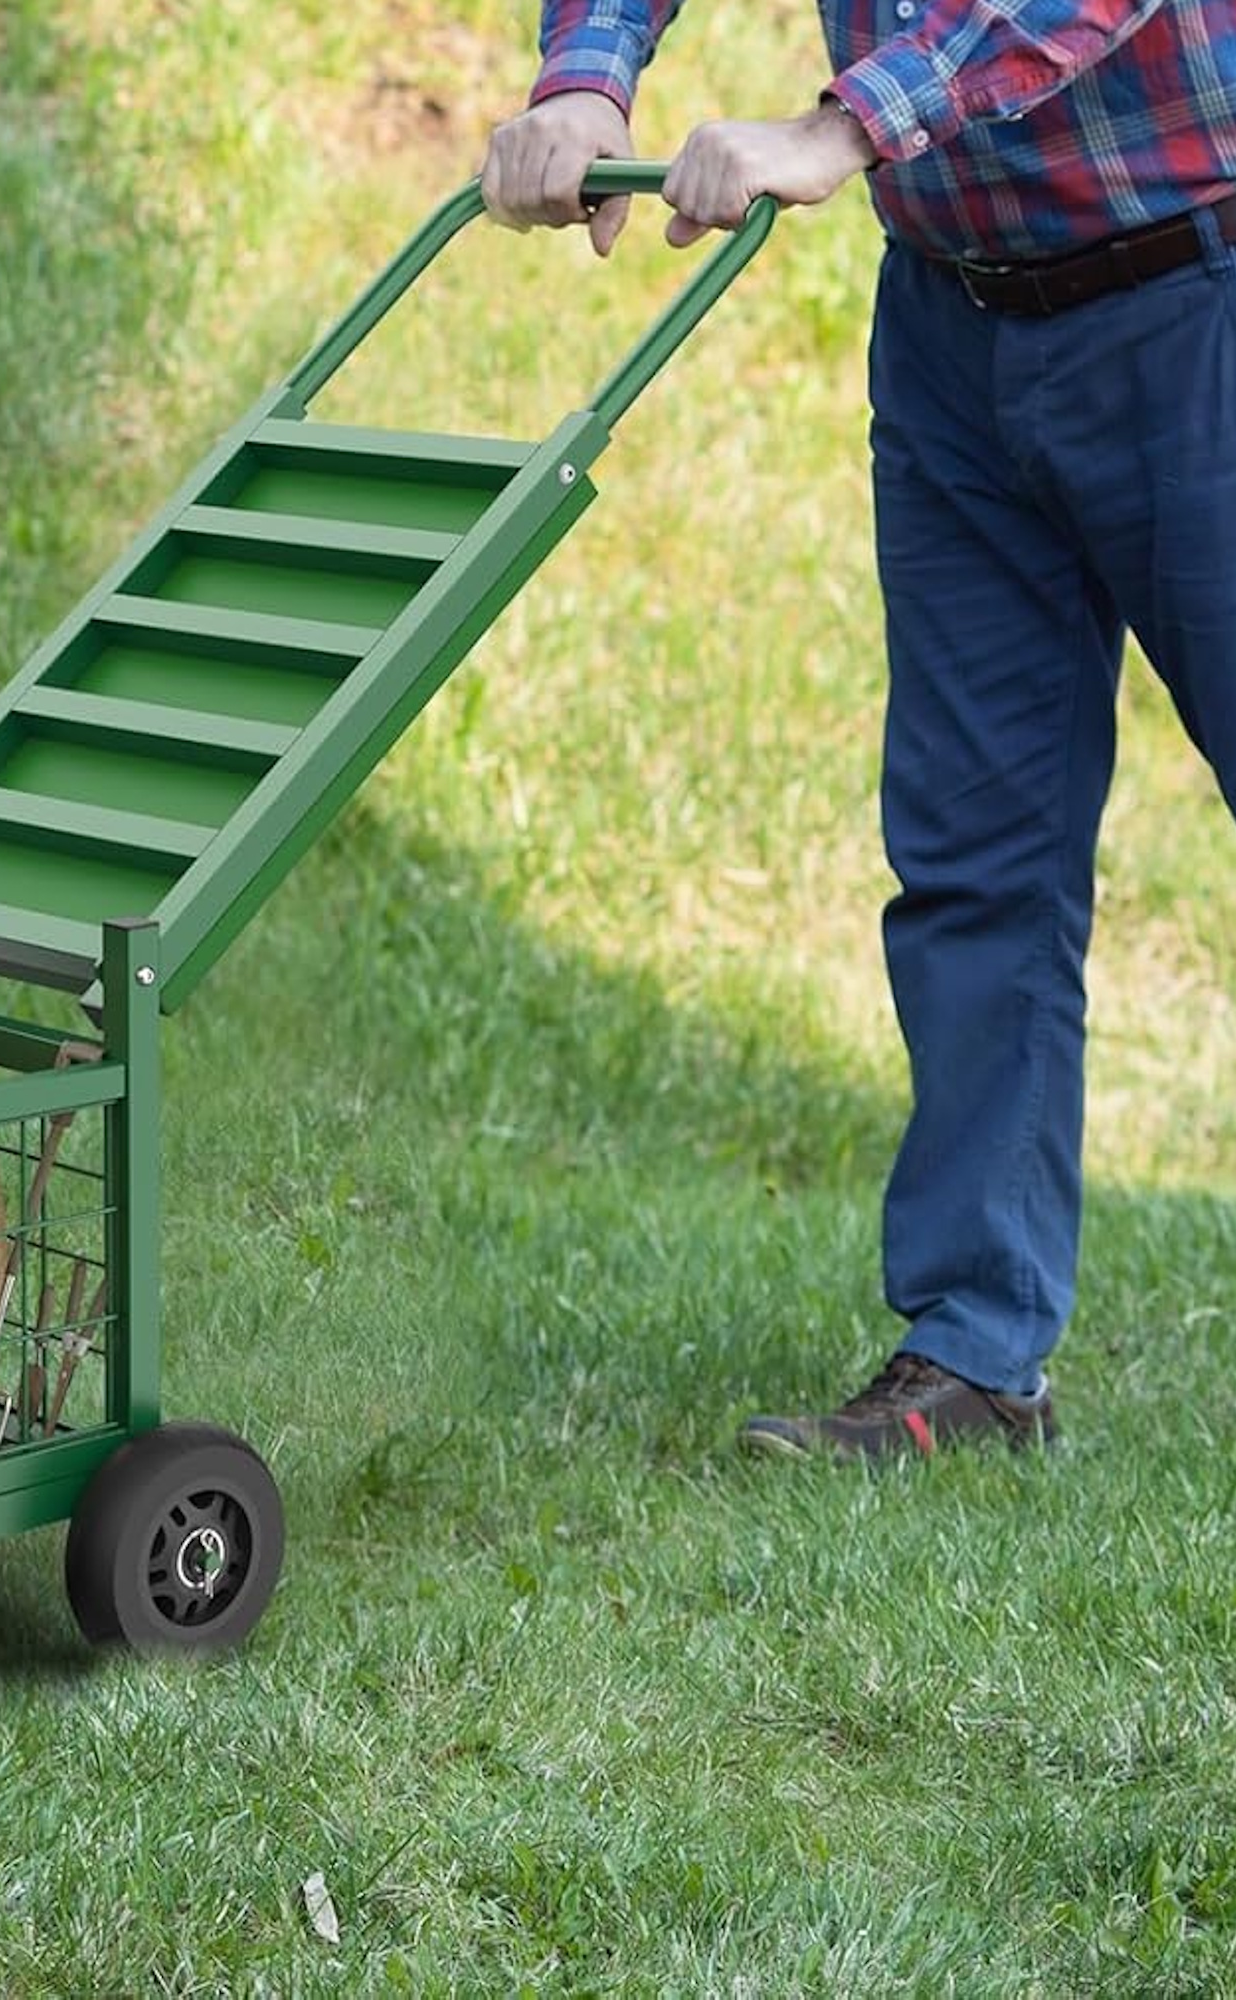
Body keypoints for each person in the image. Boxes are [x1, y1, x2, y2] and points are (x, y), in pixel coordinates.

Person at [481, 3, 1236, 1459]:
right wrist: (588, 78)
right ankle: (976, 1359)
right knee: (976, 861)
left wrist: (838, 128)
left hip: (1194, 292)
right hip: (958, 326)